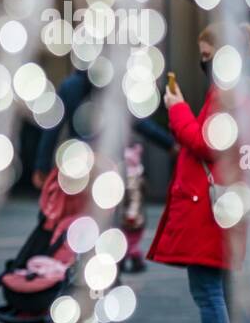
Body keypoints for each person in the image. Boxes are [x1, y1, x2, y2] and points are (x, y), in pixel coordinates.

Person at [148, 22, 250, 323]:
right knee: (228, 291)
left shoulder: (228, 94)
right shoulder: (245, 91)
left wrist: (176, 108)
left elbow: (204, 142)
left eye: (206, 56)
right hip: (229, 203)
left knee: (209, 290)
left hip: (210, 207)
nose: (204, 63)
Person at [33, 66, 175, 272]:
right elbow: (139, 122)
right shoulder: (114, 85)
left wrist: (42, 165)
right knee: (108, 223)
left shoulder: (70, 85)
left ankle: (76, 266)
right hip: (110, 165)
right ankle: (106, 272)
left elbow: (53, 126)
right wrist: (169, 144)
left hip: (79, 164)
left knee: (76, 218)